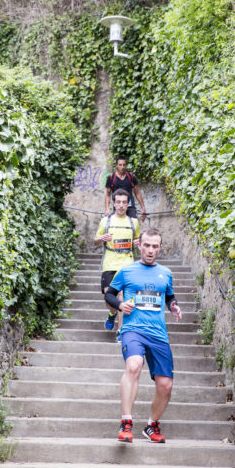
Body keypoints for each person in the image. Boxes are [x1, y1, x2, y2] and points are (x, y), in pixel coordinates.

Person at [104, 228, 182, 444]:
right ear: (139, 245)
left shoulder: (165, 273)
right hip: (133, 330)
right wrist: (120, 305)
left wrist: (173, 306)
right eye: (146, 245)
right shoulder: (127, 271)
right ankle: (126, 422)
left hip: (158, 334)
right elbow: (109, 294)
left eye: (154, 246)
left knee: (166, 384)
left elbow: (169, 296)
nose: (150, 250)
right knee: (134, 365)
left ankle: (151, 425)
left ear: (160, 247)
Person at [94, 189, 140, 332]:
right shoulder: (105, 221)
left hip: (127, 263)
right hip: (109, 263)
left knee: (123, 297)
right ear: (113, 203)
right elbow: (95, 241)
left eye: (124, 202)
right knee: (110, 299)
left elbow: (136, 240)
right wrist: (101, 239)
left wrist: (137, 243)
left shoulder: (134, 222)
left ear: (128, 204)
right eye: (118, 202)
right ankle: (112, 314)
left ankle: (121, 331)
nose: (121, 205)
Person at [105, 155, 146, 222]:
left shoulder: (131, 176)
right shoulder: (111, 177)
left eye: (124, 165)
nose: (122, 167)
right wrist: (107, 209)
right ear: (116, 165)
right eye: (120, 165)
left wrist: (143, 208)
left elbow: (137, 193)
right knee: (117, 226)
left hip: (130, 206)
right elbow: (108, 195)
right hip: (118, 206)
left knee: (134, 225)